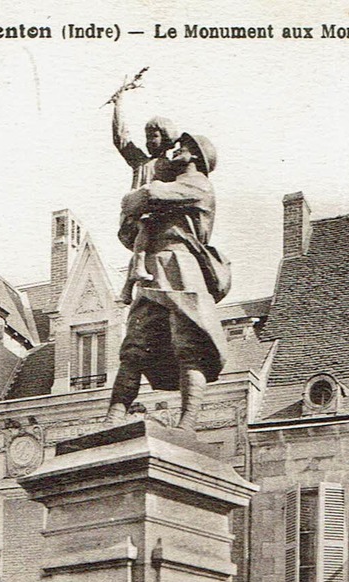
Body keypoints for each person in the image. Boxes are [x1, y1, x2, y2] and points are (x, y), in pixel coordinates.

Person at [104, 132, 228, 431]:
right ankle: (112, 419)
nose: (177, 149)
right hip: (154, 268)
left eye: (184, 148)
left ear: (196, 157)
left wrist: (134, 198)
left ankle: (187, 423)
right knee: (134, 348)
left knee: (188, 347)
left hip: (180, 268)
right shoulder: (172, 183)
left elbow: (147, 196)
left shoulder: (198, 184)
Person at [111, 84, 179, 303]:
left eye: (155, 136)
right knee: (145, 226)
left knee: (150, 233)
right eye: (147, 136)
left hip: (158, 223)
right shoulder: (141, 162)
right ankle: (137, 269)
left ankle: (127, 287)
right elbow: (121, 139)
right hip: (135, 219)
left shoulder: (172, 167)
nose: (150, 141)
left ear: (166, 138)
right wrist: (118, 104)